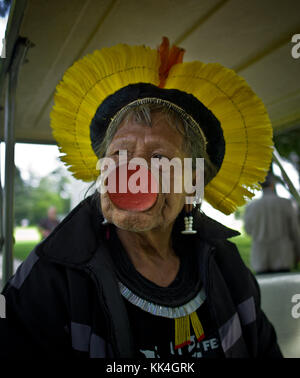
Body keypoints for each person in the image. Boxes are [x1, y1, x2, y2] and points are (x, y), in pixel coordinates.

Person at [0, 38, 282, 358]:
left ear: (193, 182)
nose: (132, 172)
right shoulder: (51, 275)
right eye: (119, 153)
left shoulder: (227, 264)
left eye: (159, 159)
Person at [244, 174, 300, 274]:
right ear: (272, 185)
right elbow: (294, 230)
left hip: (260, 256)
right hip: (283, 255)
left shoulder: (251, 207)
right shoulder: (286, 203)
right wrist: (298, 252)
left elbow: (248, 230)